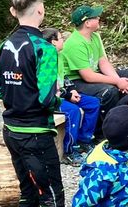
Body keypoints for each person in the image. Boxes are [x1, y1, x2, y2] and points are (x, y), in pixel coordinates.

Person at [0, 0, 64, 207]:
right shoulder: (44, 48)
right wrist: (59, 100)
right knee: (52, 199)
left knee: (28, 194)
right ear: (41, 10)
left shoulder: (4, 45)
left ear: (13, 11)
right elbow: (46, 98)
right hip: (36, 133)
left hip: (11, 131)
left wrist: (18, 93)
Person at [60, 5, 128, 114]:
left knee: (127, 75)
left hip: (92, 74)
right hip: (76, 81)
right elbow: (88, 76)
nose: (99, 18)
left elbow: (103, 62)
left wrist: (119, 80)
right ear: (87, 23)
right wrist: (117, 82)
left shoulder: (95, 36)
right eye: (95, 17)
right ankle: (107, 121)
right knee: (109, 91)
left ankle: (127, 113)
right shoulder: (74, 44)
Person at [42, 27, 102, 162]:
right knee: (73, 111)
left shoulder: (60, 55)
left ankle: (84, 140)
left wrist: (72, 90)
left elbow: (63, 77)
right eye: (61, 38)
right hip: (51, 99)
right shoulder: (45, 59)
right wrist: (68, 95)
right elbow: (49, 87)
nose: (64, 40)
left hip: (62, 94)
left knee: (93, 103)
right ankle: (69, 151)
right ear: (53, 42)